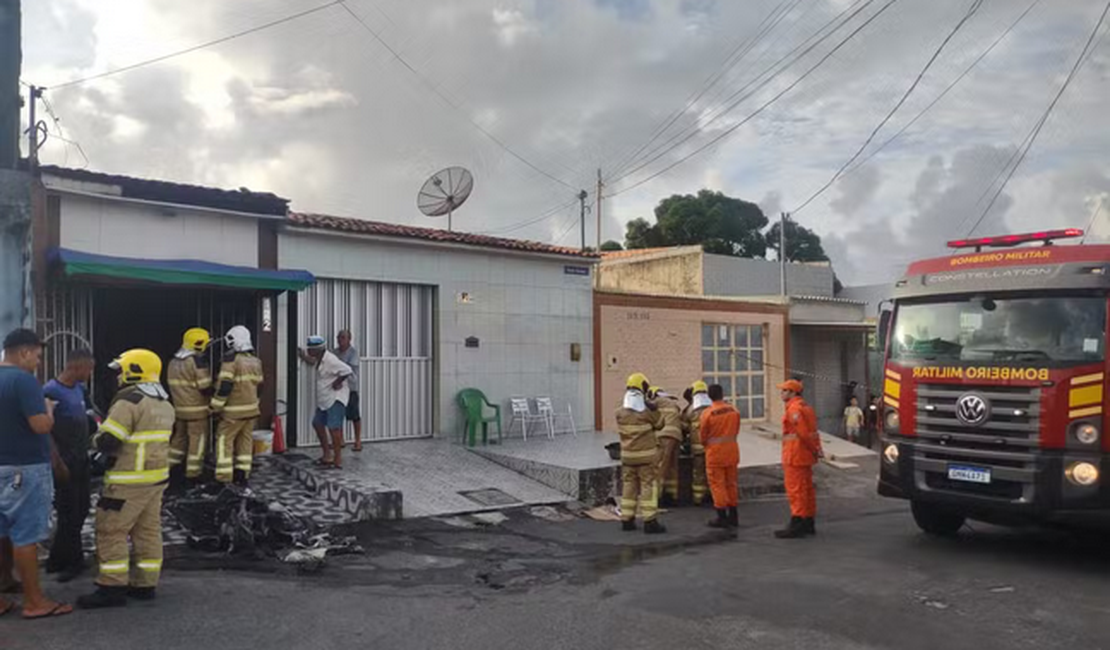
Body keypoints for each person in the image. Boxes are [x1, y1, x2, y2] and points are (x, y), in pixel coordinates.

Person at [78, 348, 175, 609]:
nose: (118, 376)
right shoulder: (164, 403)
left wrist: (93, 435)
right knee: (148, 532)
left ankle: (111, 586)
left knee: (111, 530)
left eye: (121, 370)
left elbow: (110, 441)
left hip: (127, 481)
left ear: (135, 371)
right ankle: (145, 585)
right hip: (155, 480)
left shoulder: (129, 400)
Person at [0, 328, 72, 619]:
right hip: (25, 468)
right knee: (25, 536)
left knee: (2, 532)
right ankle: (34, 601)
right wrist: (49, 409)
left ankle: (3, 591)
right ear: (24, 352)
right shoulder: (24, 381)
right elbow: (40, 426)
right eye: (38, 356)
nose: (39, 363)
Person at [44, 348, 96, 583]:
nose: (90, 373)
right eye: (89, 368)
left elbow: (89, 417)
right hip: (64, 462)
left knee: (82, 508)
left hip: (81, 458)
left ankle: (57, 558)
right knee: (68, 512)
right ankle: (72, 562)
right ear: (76, 367)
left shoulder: (80, 389)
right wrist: (57, 461)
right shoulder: (50, 391)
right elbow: (46, 433)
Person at [210, 326, 263, 486]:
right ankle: (242, 476)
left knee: (224, 442)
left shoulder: (230, 361)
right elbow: (260, 386)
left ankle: (224, 479)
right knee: (245, 442)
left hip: (232, 413)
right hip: (251, 411)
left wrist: (214, 407)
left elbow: (225, 387)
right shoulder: (256, 361)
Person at [615, 373, 665, 534]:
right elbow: (660, 424)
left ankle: (627, 520)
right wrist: (654, 407)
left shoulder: (620, 413)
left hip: (628, 457)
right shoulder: (646, 413)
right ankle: (650, 521)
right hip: (646, 458)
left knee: (628, 486)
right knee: (647, 486)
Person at [775, 379, 822, 539]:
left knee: (795, 490)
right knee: (807, 489)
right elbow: (813, 432)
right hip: (804, 455)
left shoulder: (794, 409)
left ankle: (797, 522)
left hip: (795, 455)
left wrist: (813, 449)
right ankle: (808, 522)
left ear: (792, 392)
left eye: (784, 390)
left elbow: (802, 433)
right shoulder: (806, 407)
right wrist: (816, 450)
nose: (781, 393)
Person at [298, 336, 353, 469]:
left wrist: (337, 382)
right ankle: (327, 455)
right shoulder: (320, 358)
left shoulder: (331, 360)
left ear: (318, 350)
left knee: (334, 428)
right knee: (317, 423)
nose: (309, 351)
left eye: (310, 350)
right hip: (324, 399)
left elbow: (347, 370)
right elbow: (312, 361)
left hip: (335, 398)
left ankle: (337, 459)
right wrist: (303, 356)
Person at [167, 328, 212, 487]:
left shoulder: (173, 362)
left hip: (179, 410)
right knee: (197, 442)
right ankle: (193, 475)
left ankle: (167, 468)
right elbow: (205, 387)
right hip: (197, 411)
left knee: (178, 440)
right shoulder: (197, 362)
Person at [699, 384, 740, 529]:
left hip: (715, 454)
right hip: (732, 452)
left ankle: (722, 517)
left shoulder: (707, 413)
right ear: (722, 394)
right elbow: (736, 429)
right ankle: (733, 515)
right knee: (731, 484)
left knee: (718, 485)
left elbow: (703, 436)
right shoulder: (733, 410)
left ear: (709, 396)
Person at [648, 387, 683, 506]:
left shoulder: (655, 402)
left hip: (663, 435)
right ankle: (672, 496)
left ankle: (656, 498)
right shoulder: (673, 403)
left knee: (659, 467)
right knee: (672, 467)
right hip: (676, 437)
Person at [682, 381, 713, 506]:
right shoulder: (712, 407)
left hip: (697, 448)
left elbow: (683, 426)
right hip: (712, 448)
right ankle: (712, 496)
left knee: (698, 473)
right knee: (711, 472)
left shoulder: (691, 409)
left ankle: (698, 499)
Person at [334, 330, 363, 452]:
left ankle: (357, 441)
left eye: (343, 338)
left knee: (354, 415)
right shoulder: (335, 352)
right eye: (339, 337)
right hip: (339, 389)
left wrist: (338, 381)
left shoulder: (353, 353)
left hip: (350, 388)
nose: (340, 340)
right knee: (338, 414)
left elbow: (347, 371)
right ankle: (340, 440)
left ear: (349, 339)